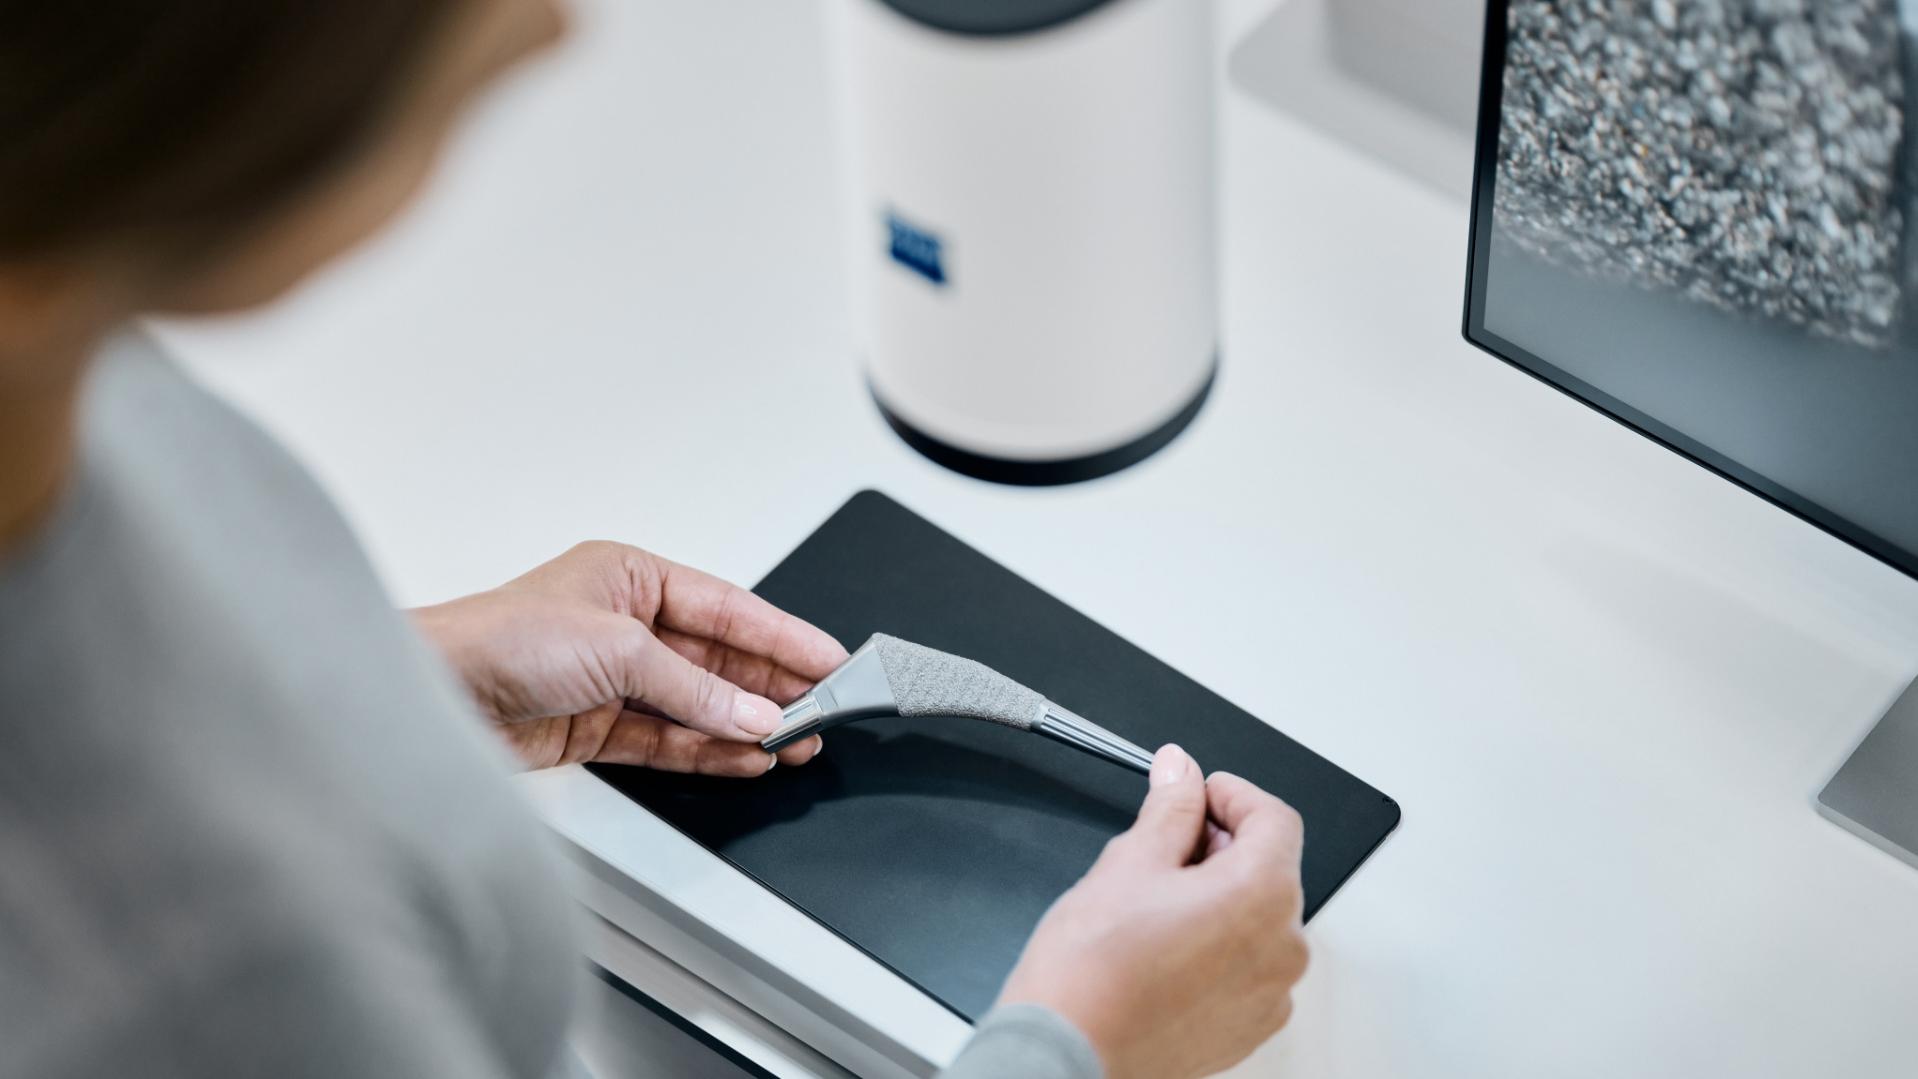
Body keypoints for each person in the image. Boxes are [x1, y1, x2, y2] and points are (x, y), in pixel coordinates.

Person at [0, 2, 1311, 1077]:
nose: (554, 26)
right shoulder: (182, 992)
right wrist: (1078, 1052)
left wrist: (393, 688)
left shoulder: (70, 363)